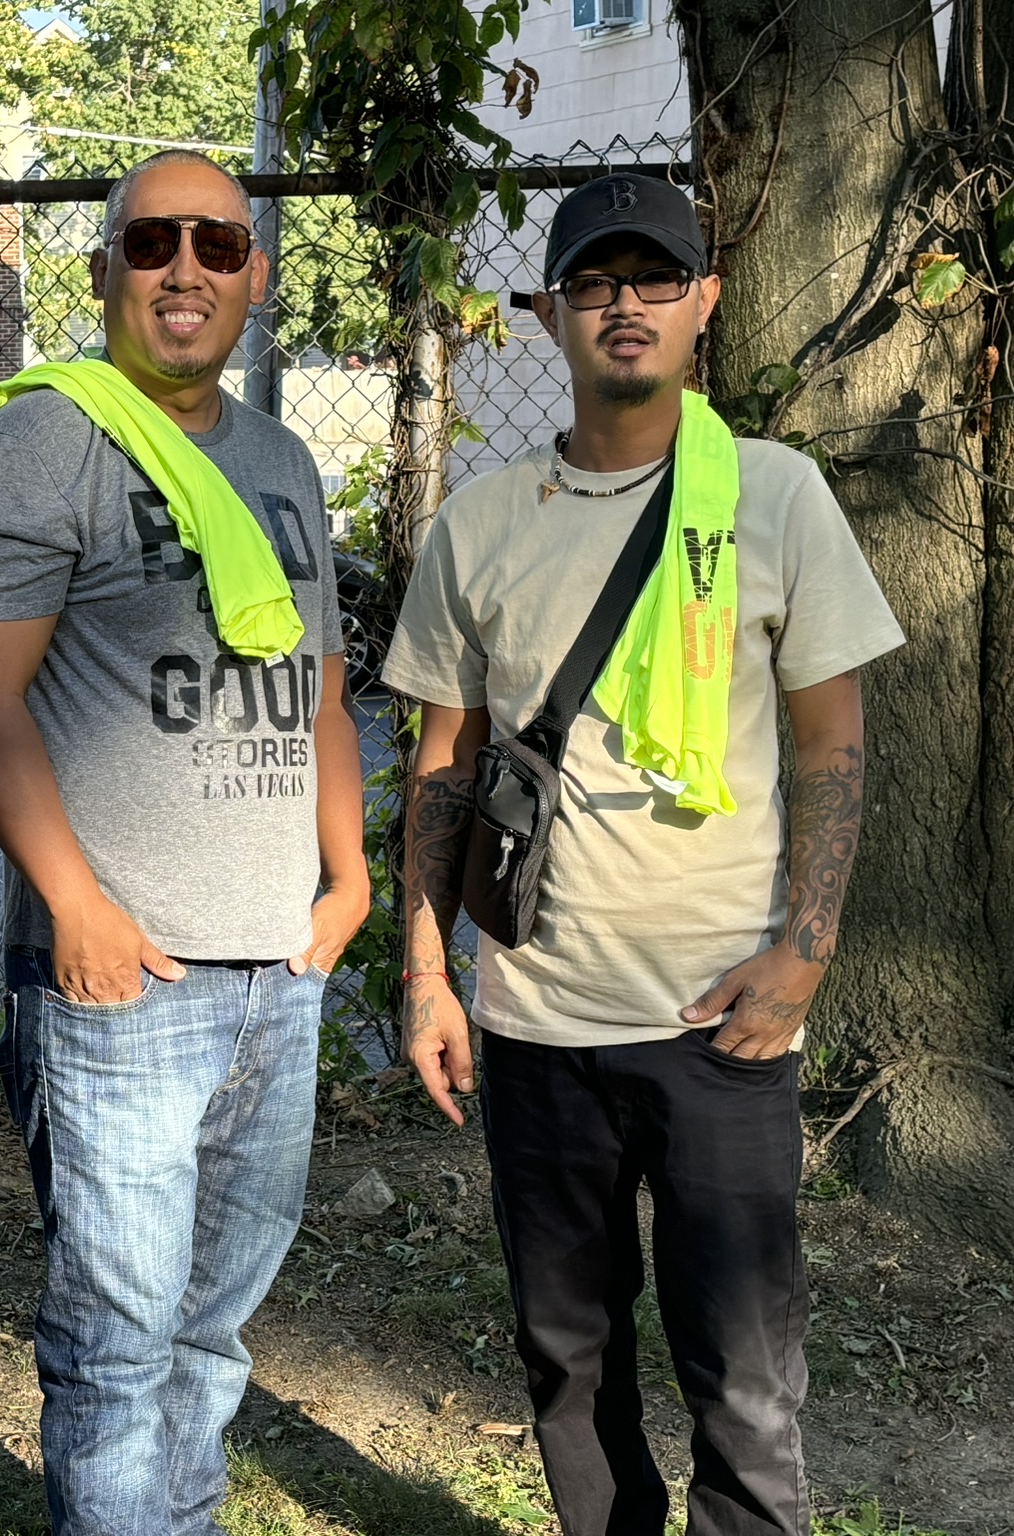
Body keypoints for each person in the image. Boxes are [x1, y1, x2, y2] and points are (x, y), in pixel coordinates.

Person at [383, 173, 906, 1536]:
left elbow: (832, 744)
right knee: (570, 1362)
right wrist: (427, 976)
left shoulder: (776, 498)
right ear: (550, 311)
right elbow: (443, 768)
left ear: (703, 302)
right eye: (596, 282)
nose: (627, 304)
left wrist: (806, 953)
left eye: (656, 277)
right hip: (539, 1019)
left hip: (720, 1018)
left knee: (746, 1375)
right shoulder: (482, 522)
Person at [0, 149, 370, 1535]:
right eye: (152, 242)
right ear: (104, 268)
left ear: (255, 276)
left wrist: (350, 877)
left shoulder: (281, 459)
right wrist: (76, 905)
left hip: (277, 968)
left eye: (218, 245)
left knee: (213, 1331)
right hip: (121, 979)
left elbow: (321, 692)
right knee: (118, 1347)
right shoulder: (48, 440)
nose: (186, 268)